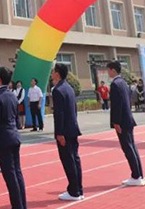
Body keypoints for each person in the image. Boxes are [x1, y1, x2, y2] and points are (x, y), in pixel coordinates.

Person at [0, 66, 27, 209]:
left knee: (10, 176)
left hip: (3, 139)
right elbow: (16, 119)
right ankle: (22, 205)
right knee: (17, 172)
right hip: (14, 136)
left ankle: (17, 206)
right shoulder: (12, 95)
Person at [108, 60, 145, 187]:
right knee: (132, 147)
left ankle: (136, 176)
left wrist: (116, 122)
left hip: (122, 121)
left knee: (128, 148)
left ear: (113, 70)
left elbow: (117, 105)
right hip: (128, 119)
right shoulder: (124, 83)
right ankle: (138, 174)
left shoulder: (115, 84)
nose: (108, 72)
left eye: (109, 70)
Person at [52, 63, 84, 202]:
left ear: (58, 73)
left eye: (53, 71)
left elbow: (59, 113)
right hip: (72, 128)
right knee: (75, 159)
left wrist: (59, 133)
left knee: (68, 160)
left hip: (64, 131)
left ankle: (74, 191)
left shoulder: (58, 90)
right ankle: (78, 189)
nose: (52, 74)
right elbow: (74, 110)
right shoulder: (69, 88)